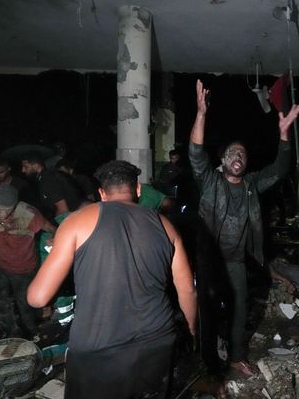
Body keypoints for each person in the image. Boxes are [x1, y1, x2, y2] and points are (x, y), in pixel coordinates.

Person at [27, 160, 197, 399]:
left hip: (97, 349)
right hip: (157, 340)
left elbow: (37, 297)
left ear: (102, 193)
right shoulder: (165, 225)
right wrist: (190, 330)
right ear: (138, 189)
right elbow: (188, 289)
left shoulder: (75, 223)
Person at [189, 79, 299, 377]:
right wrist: (201, 113)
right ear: (223, 160)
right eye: (232, 154)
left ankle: (237, 356)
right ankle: (209, 362)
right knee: (209, 312)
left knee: (241, 310)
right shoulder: (210, 182)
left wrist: (284, 133)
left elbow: (279, 170)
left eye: (242, 154)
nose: (238, 157)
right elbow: (196, 155)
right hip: (209, 260)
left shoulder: (251, 185)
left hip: (236, 260)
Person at [0, 184, 56, 337]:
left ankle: (33, 334)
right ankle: (13, 336)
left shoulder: (29, 214)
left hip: (23, 267)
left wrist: (55, 237)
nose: (2, 214)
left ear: (15, 205)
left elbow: (51, 228)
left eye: (7, 210)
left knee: (24, 304)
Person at [21, 152, 85, 219]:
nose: (23, 170)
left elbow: (63, 210)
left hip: (77, 218)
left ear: (36, 166)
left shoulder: (47, 180)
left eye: (26, 167)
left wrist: (61, 226)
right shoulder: (47, 176)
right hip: (78, 215)